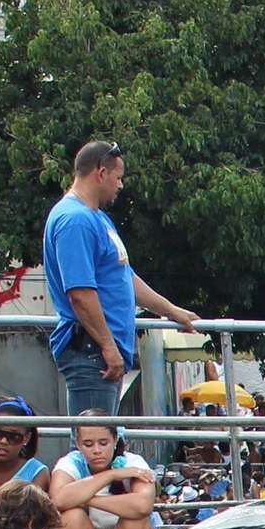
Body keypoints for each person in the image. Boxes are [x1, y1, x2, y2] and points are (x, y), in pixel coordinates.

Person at [44, 140, 198, 413]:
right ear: (101, 173)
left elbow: (125, 276)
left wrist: (172, 311)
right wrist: (107, 346)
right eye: (118, 177)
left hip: (100, 349)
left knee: (104, 442)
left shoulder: (97, 218)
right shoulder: (75, 220)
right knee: (94, 445)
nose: (121, 184)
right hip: (91, 350)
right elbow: (79, 293)